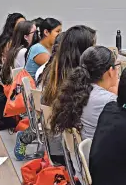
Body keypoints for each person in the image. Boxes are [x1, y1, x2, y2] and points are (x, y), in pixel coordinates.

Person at [49, 46, 126, 139]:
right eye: (117, 66)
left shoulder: (83, 91)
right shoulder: (107, 101)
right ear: (110, 71)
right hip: (104, 165)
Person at [15, 25, 94, 161]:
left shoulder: (51, 71)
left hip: (54, 140)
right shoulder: (76, 82)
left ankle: (25, 137)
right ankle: (24, 137)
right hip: (67, 149)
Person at [0, 12, 26, 81]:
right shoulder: (11, 43)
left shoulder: (7, 40)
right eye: (20, 24)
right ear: (12, 27)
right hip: (11, 79)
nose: (24, 27)